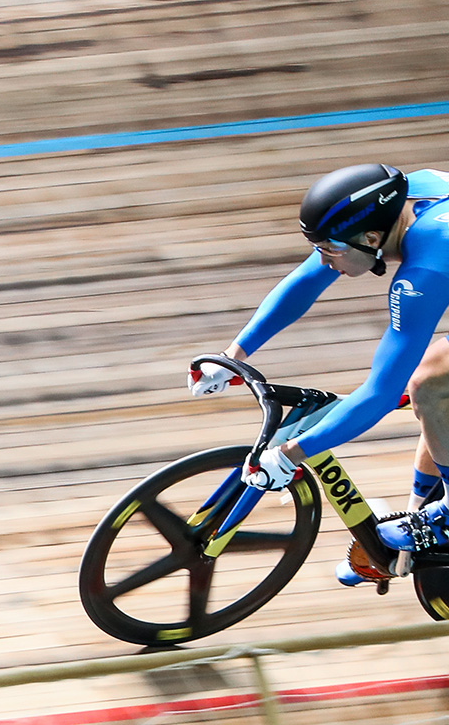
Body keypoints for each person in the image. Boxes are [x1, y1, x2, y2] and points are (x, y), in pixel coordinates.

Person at [186, 163, 449, 567]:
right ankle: (419, 528)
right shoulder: (395, 198)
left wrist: (294, 452)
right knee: (429, 382)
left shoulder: (425, 270)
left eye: (330, 249)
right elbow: (306, 280)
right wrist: (233, 354)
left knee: (432, 382)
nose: (325, 260)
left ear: (373, 237)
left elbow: (378, 395)